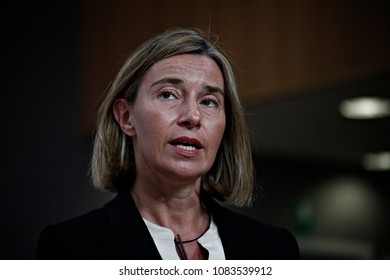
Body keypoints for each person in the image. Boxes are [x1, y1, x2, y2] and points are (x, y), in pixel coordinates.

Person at [36, 28, 300, 260]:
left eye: (209, 101)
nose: (192, 116)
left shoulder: (275, 248)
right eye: (168, 95)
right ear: (126, 117)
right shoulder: (71, 247)